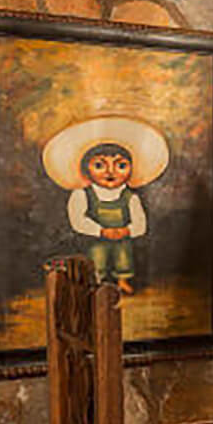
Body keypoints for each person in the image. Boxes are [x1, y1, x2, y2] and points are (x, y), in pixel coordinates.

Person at [41, 116, 170, 295]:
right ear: (86, 169)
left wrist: (127, 230)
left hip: (122, 237)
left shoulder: (130, 197)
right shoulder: (82, 195)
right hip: (96, 238)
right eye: (100, 165)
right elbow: (78, 220)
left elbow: (140, 221)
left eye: (121, 165)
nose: (110, 172)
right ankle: (97, 281)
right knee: (97, 257)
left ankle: (123, 280)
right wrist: (100, 231)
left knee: (123, 256)